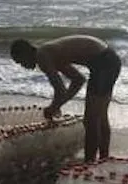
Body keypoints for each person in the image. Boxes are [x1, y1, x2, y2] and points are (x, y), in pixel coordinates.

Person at [10, 35, 121, 163]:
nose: (22, 66)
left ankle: (89, 163)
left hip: (104, 63)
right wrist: (57, 105)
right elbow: (78, 80)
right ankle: (103, 159)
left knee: (90, 120)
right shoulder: (49, 52)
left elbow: (60, 90)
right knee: (99, 116)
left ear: (26, 53)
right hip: (109, 59)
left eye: (20, 61)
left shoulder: (42, 56)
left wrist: (53, 107)